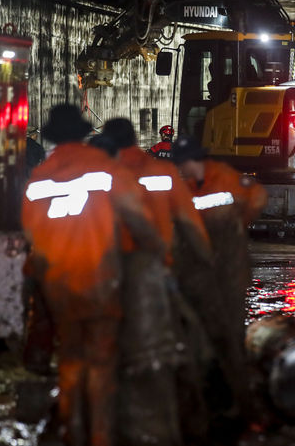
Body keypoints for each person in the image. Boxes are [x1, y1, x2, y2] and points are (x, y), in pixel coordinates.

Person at [21, 104, 162, 446]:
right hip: (101, 278)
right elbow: (139, 218)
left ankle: (73, 428)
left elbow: (31, 234)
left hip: (59, 282)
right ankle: (99, 436)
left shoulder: (39, 178)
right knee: (100, 358)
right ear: (83, 133)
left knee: (70, 355)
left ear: (52, 137)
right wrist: (154, 253)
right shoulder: (105, 168)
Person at [101, 119, 214, 445]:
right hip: (154, 272)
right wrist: (206, 263)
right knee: (169, 351)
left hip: (108, 273)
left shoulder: (104, 176)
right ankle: (184, 422)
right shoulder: (163, 173)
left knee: (110, 353)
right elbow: (191, 226)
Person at [172, 135, 267, 424]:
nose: (181, 170)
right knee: (201, 334)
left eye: (182, 165)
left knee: (230, 335)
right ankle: (212, 399)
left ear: (193, 161)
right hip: (201, 270)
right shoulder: (184, 187)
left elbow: (258, 198)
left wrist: (239, 225)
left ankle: (240, 402)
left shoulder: (225, 177)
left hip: (230, 270)